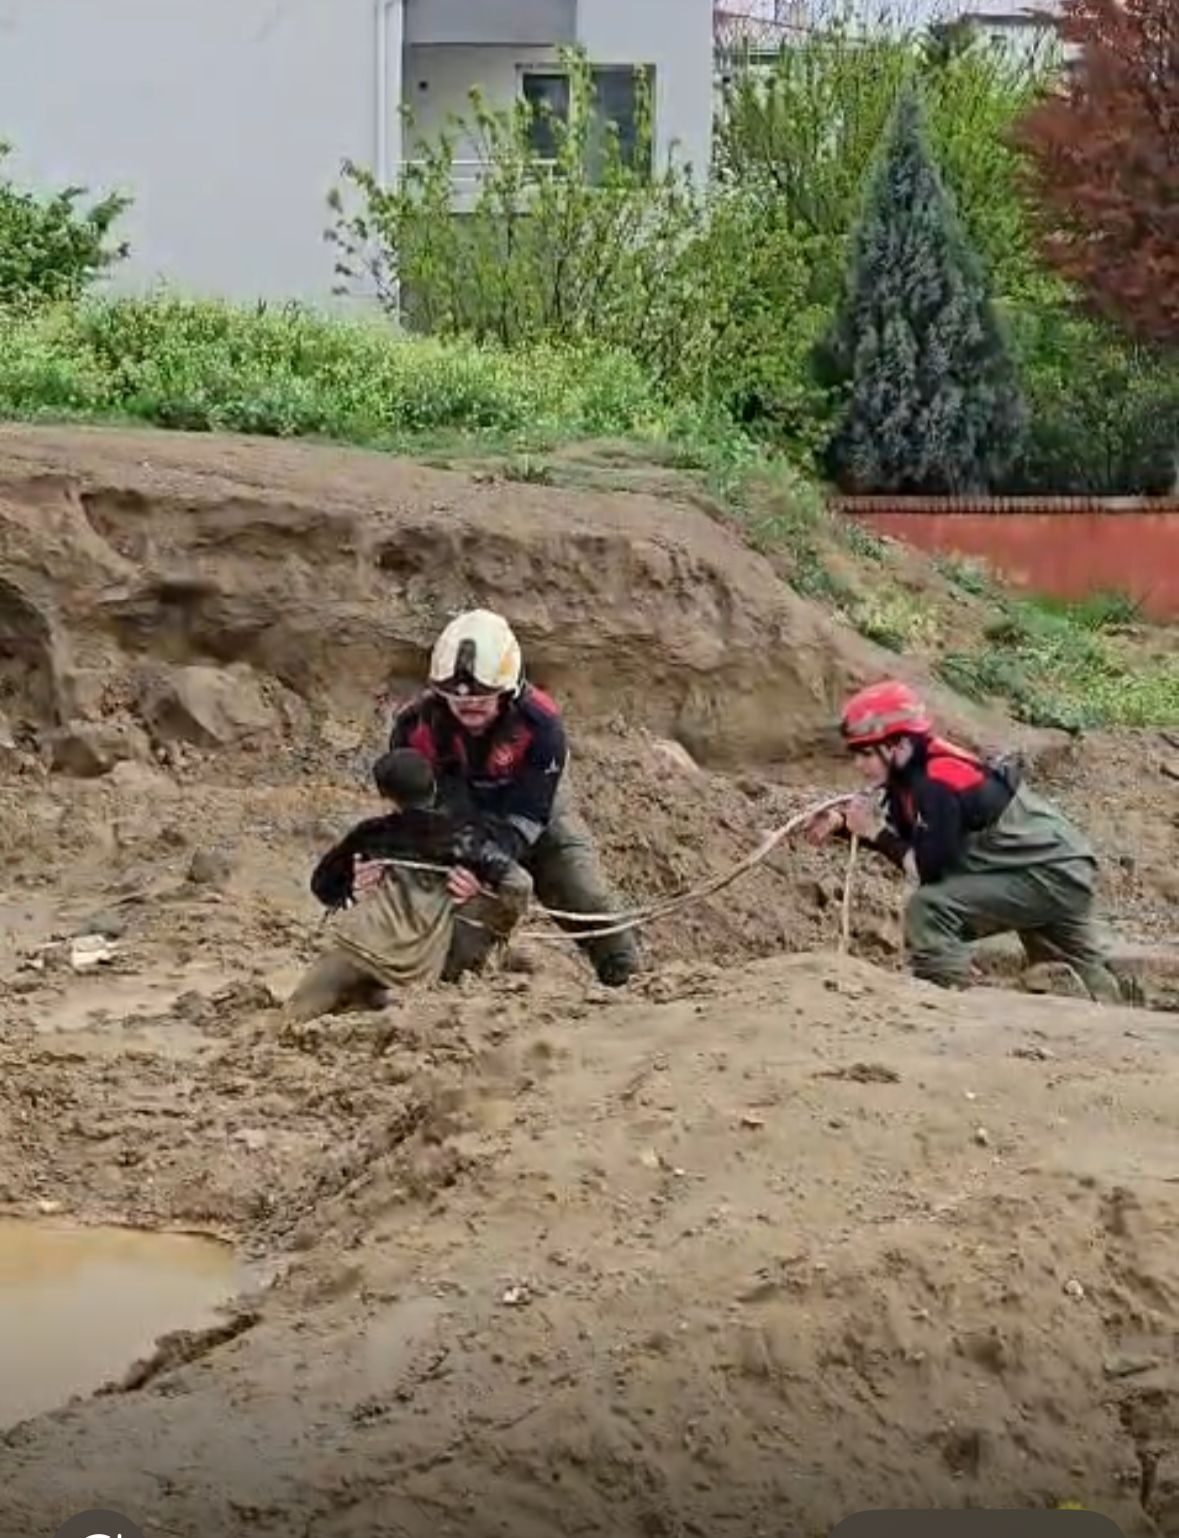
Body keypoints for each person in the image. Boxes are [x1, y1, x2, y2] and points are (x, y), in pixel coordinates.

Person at [368, 608, 638, 988]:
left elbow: (529, 815)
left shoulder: (541, 725)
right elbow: (414, 813)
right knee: (465, 909)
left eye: (484, 695)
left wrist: (486, 865)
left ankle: (630, 984)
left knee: (587, 895)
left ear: (509, 689)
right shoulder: (414, 729)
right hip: (458, 822)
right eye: (455, 696)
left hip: (536, 815)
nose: (469, 704)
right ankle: (446, 983)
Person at [806, 679, 1122, 1002]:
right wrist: (844, 825)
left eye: (866, 753)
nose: (858, 764)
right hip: (1057, 868)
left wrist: (874, 832)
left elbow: (927, 868)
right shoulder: (919, 770)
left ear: (898, 746)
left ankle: (946, 1002)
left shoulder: (936, 782)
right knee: (1076, 966)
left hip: (1045, 875)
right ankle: (1114, 1012)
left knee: (929, 908)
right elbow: (911, 838)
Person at [283, 748, 532, 1024]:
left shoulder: (371, 834)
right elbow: (519, 884)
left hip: (356, 948)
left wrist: (353, 888)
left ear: (386, 798)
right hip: (415, 970)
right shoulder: (464, 838)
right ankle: (377, 999)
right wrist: (496, 921)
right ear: (434, 788)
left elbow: (322, 885)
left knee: (291, 1018)